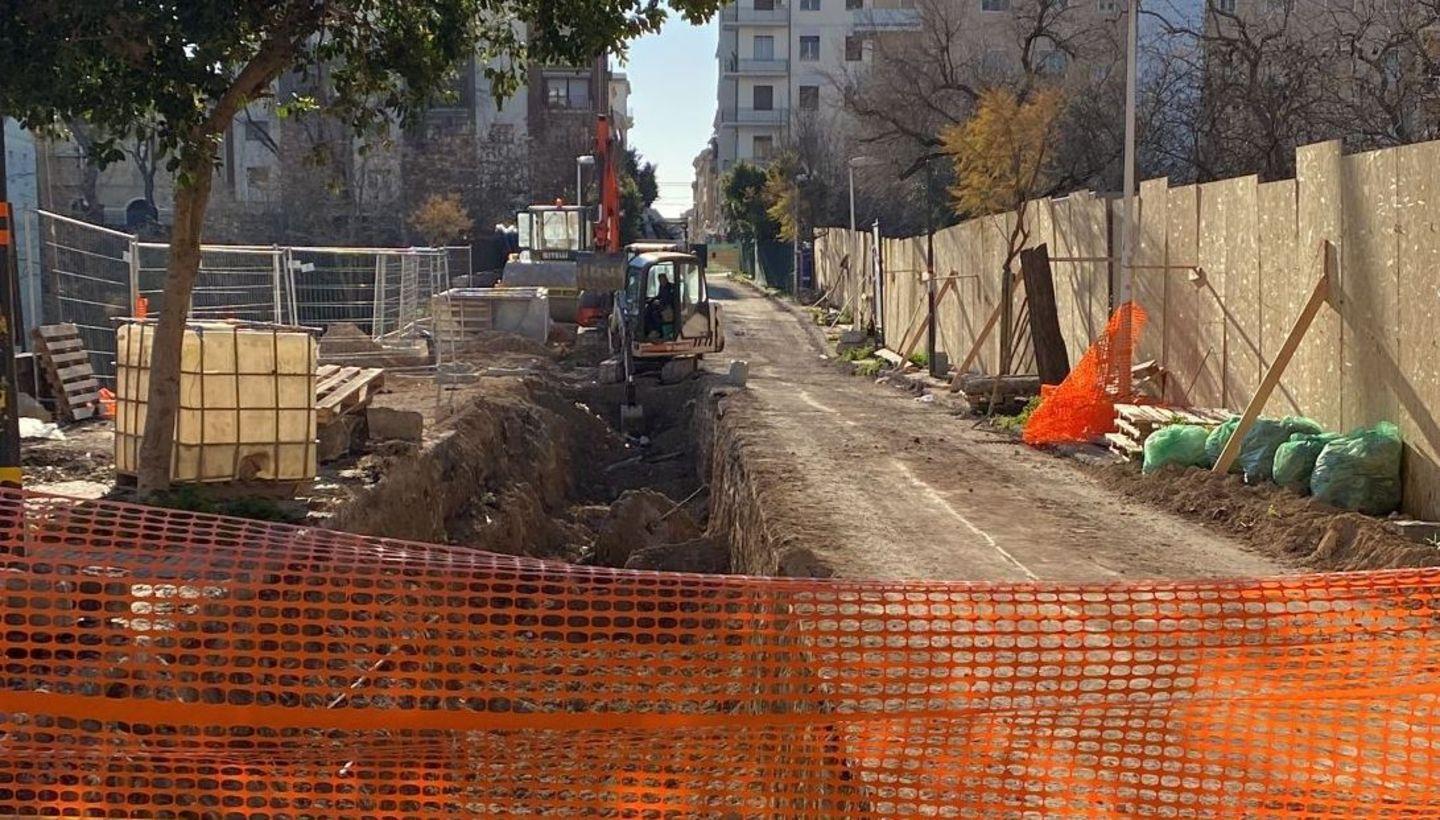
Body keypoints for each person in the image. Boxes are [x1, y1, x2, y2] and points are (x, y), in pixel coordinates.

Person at [645, 273, 677, 339]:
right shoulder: (661, 287)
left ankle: (658, 331)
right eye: (660, 280)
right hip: (662, 306)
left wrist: (660, 303)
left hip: (669, 308)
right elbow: (659, 296)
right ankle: (650, 330)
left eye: (663, 279)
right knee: (648, 309)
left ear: (666, 279)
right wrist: (652, 299)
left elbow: (671, 300)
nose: (662, 281)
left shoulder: (671, 287)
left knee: (655, 314)